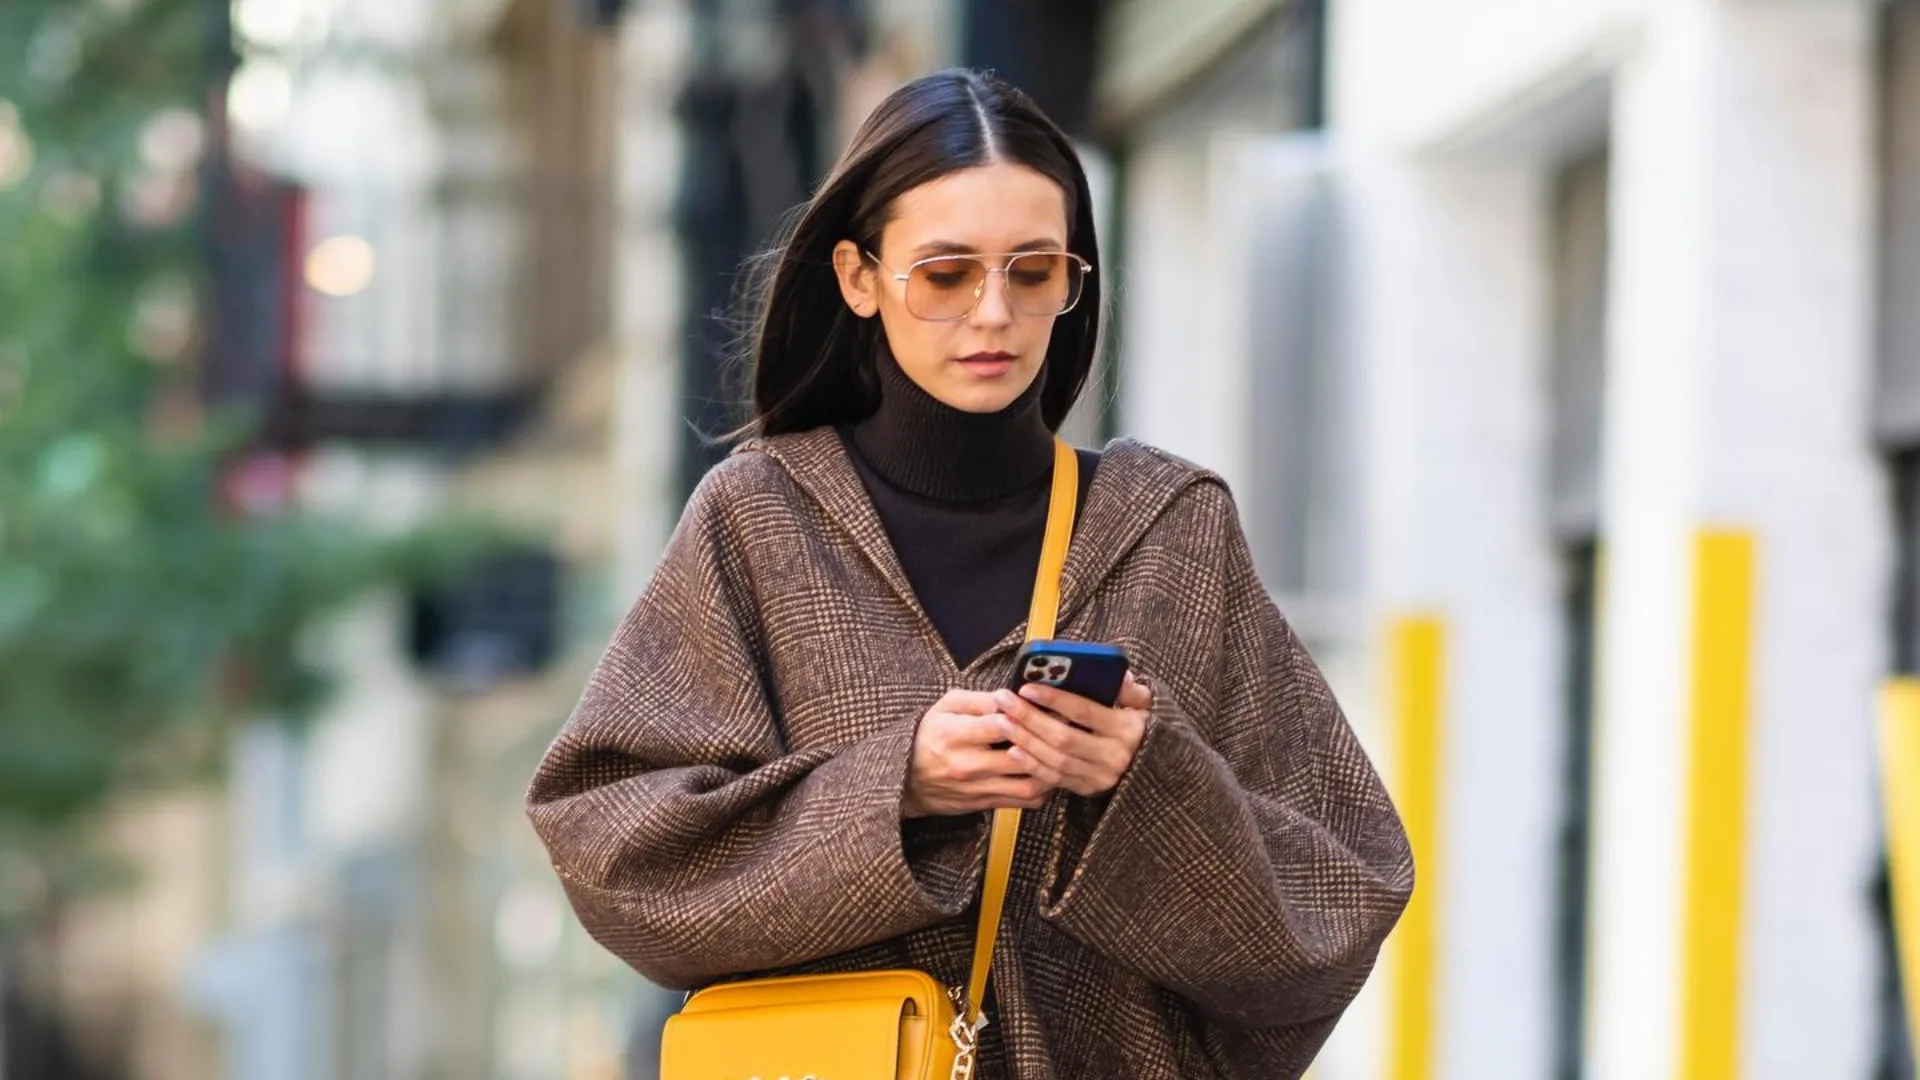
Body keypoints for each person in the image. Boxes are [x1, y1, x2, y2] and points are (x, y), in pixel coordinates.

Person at [526, 68, 1413, 1079]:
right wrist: (897, 788)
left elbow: (1341, 903)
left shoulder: (1170, 531)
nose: (993, 314)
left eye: (1033, 273)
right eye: (945, 275)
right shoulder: (762, 520)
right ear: (861, 278)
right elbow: (612, 851)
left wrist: (1141, 784)